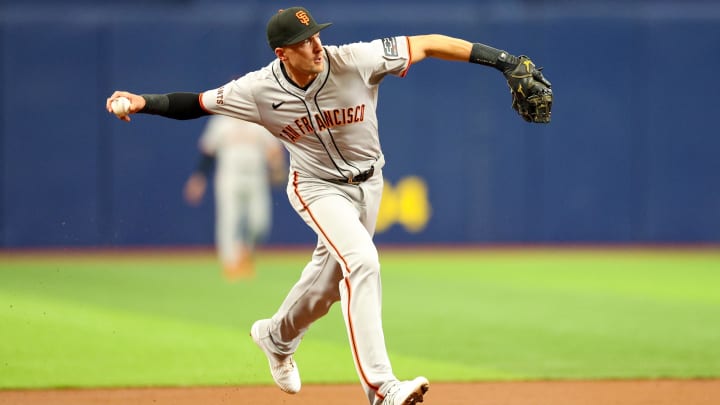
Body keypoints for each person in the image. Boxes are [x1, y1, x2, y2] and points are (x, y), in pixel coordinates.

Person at [106, 6, 551, 404]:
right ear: (283, 53)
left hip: (369, 182)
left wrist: (505, 61)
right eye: (305, 42)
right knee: (362, 262)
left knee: (324, 287)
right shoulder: (258, 89)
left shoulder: (354, 58)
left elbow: (429, 44)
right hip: (315, 187)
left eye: (316, 34)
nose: (317, 45)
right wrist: (140, 102)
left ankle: (276, 337)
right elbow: (196, 103)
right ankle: (381, 389)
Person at [183, 115, 286, 281]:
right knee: (229, 220)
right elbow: (208, 152)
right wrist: (199, 178)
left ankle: (244, 254)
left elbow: (274, 149)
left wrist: (277, 168)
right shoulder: (221, 122)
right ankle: (230, 263)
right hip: (229, 178)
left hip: (256, 178)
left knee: (260, 223)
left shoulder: (259, 119)